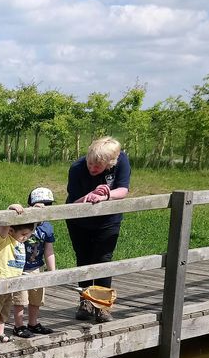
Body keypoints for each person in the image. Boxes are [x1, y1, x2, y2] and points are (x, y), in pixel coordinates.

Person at [65, 136, 131, 323]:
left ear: (110, 163)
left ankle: (102, 306)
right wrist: (91, 195)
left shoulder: (122, 161)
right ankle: (85, 301)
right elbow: (74, 201)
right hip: (80, 221)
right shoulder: (77, 168)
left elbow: (123, 190)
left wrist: (107, 195)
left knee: (103, 261)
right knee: (84, 259)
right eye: (90, 163)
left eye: (98, 166)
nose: (92, 168)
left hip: (108, 220)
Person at [7, 187, 58, 338]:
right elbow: (5, 225)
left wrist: (52, 270)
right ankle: (19, 326)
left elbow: (49, 249)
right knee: (20, 299)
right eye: (40, 205)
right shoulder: (23, 222)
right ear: (30, 206)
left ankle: (33, 323)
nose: (44, 209)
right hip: (20, 267)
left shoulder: (47, 227)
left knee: (37, 297)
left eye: (48, 205)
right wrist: (28, 214)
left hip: (37, 267)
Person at [0, 221, 35, 342]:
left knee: (5, 311)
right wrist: (11, 208)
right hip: (1, 281)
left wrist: (35, 210)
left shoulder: (20, 241)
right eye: (23, 234)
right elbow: (4, 225)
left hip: (13, 283)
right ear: (11, 231)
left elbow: (32, 225)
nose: (26, 237)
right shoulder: (4, 240)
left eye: (28, 234)